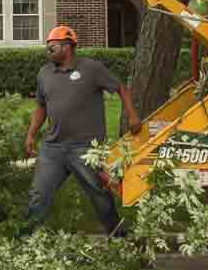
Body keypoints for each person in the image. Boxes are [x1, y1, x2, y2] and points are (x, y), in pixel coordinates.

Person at [24, 25, 142, 237]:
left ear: (68, 47)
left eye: (52, 47)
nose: (48, 51)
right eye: (47, 47)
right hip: (53, 148)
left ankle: (119, 238)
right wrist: (32, 134)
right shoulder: (44, 73)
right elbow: (41, 107)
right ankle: (28, 240)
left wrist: (132, 115)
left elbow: (120, 88)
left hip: (86, 148)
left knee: (99, 195)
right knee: (38, 195)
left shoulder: (91, 69)